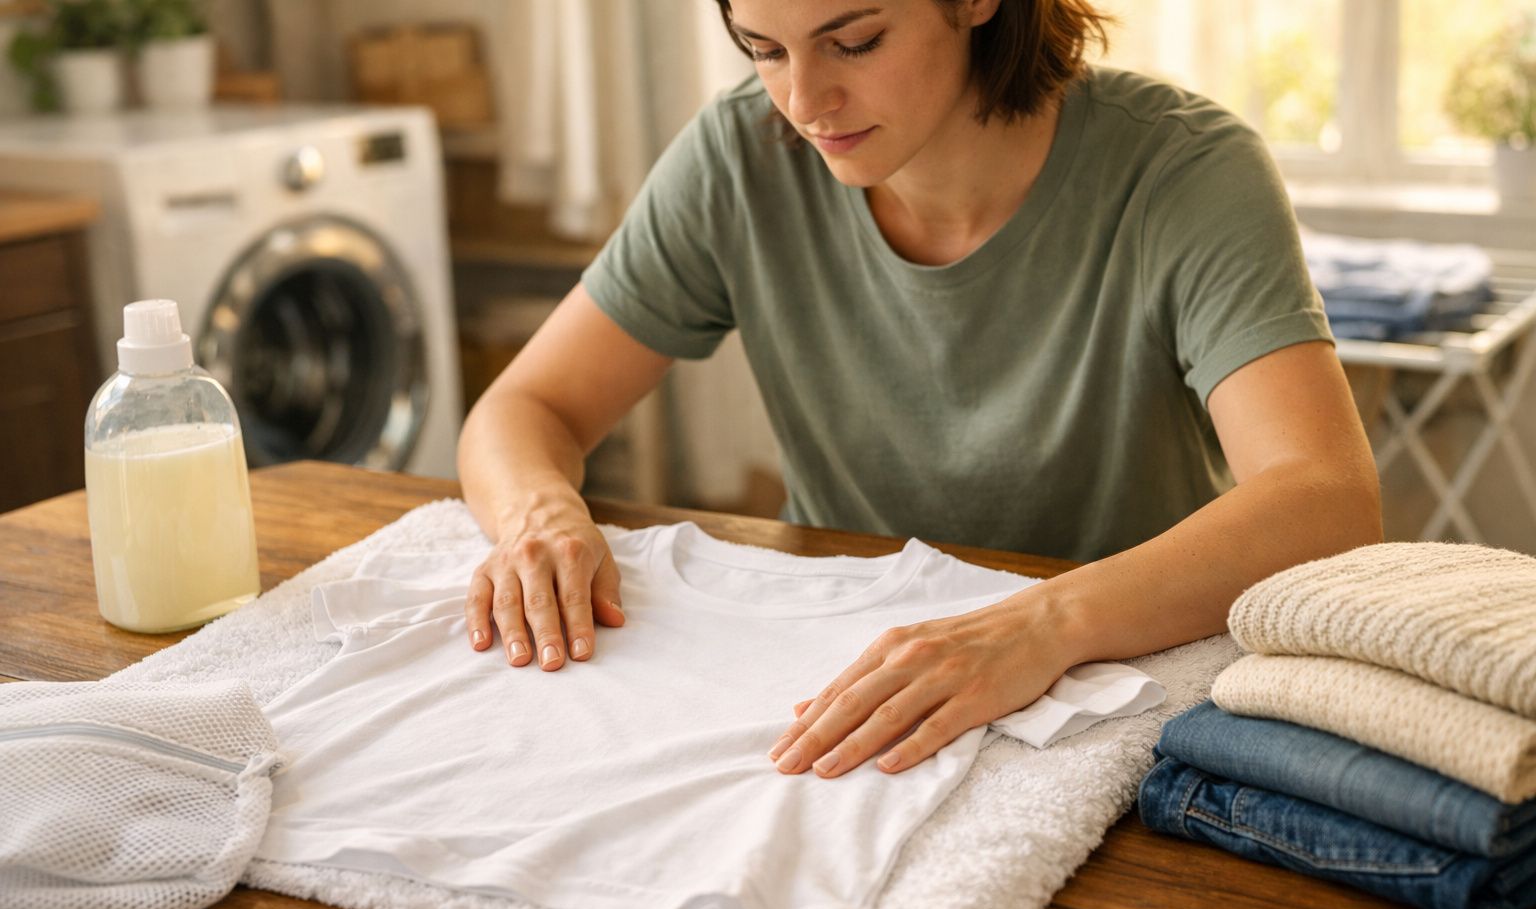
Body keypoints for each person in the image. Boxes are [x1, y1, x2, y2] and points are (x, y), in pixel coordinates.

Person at [456, 0, 1382, 781]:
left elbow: (1327, 496)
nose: (804, 103)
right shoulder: (739, 154)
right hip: (839, 665)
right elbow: (526, 407)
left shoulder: (1185, 170)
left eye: (855, 42)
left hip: (1125, 682)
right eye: (764, 50)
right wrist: (541, 516)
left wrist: (1041, 624)